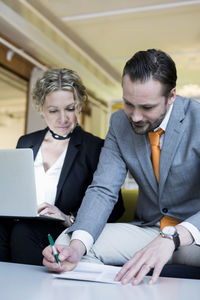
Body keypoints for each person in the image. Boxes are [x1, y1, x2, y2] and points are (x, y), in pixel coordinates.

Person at [42, 49, 200, 285]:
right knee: (66, 245)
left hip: (194, 234)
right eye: (128, 104)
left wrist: (173, 238)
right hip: (151, 229)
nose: (135, 117)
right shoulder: (119, 122)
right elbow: (103, 189)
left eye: (147, 107)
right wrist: (77, 246)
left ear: (171, 97)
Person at [0, 68, 124, 265]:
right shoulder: (26, 142)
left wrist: (69, 218)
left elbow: (117, 207)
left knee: (22, 233)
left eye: (70, 108)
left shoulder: (94, 147)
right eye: (53, 110)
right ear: (40, 108)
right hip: (19, 222)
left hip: (61, 230)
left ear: (80, 106)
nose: (63, 119)